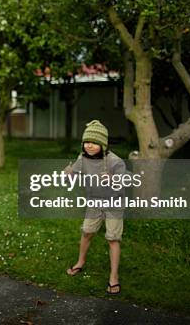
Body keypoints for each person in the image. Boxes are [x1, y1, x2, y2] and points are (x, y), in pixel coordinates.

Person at [64, 120, 128, 295]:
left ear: (103, 144)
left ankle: (113, 276)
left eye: (94, 142)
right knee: (87, 232)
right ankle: (80, 262)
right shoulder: (82, 159)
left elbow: (127, 181)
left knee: (112, 238)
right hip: (94, 203)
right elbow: (72, 178)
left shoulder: (115, 161)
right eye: (86, 142)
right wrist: (67, 174)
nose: (89, 146)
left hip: (113, 204)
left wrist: (114, 180)